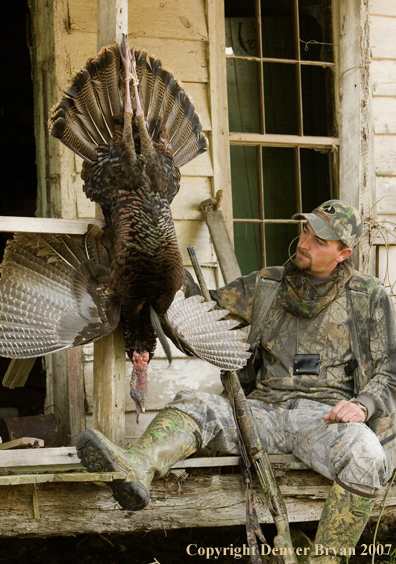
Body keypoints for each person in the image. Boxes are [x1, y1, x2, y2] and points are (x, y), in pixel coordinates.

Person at [77, 200, 396, 562]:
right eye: (306, 230)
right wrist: (161, 269)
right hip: (262, 412)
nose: (305, 242)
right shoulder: (267, 284)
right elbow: (205, 308)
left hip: (324, 420)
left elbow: (390, 369)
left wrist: (362, 405)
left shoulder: (367, 296)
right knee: (195, 403)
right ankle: (136, 467)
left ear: (344, 253)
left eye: (319, 240)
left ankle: (325, 558)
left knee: (367, 454)